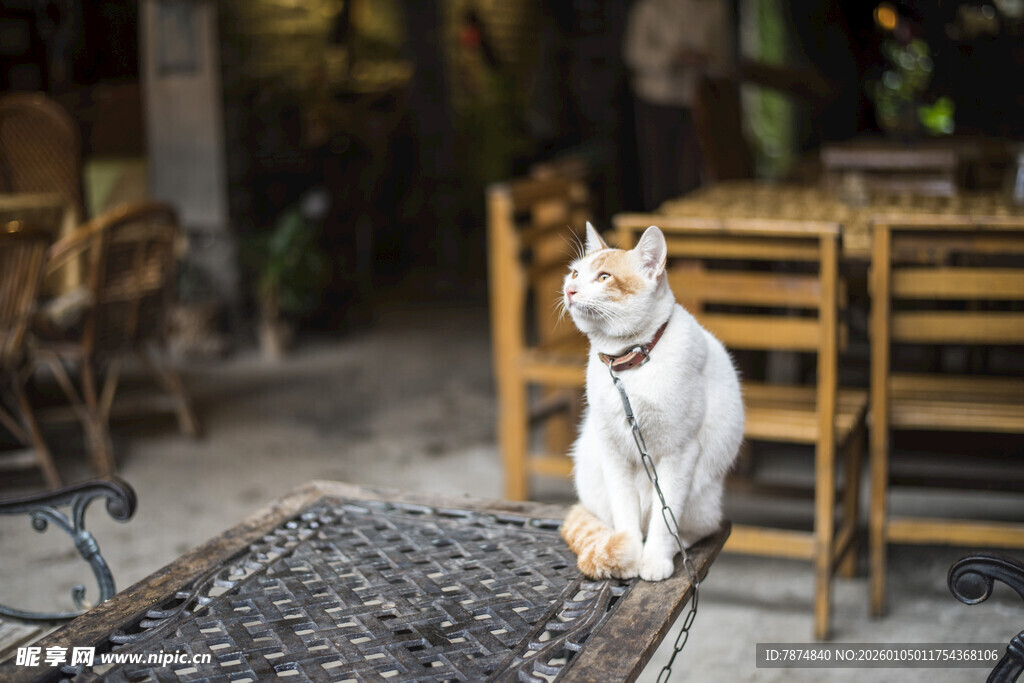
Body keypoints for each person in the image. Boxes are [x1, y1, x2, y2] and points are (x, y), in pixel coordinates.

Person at [624, 0, 734, 209]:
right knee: (658, 175)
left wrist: (706, 60)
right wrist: (672, 57)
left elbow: (723, 60)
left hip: (697, 101)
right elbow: (634, 53)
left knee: (692, 175)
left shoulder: (715, 8)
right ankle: (658, 224)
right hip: (655, 98)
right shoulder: (650, 6)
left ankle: (688, 224)